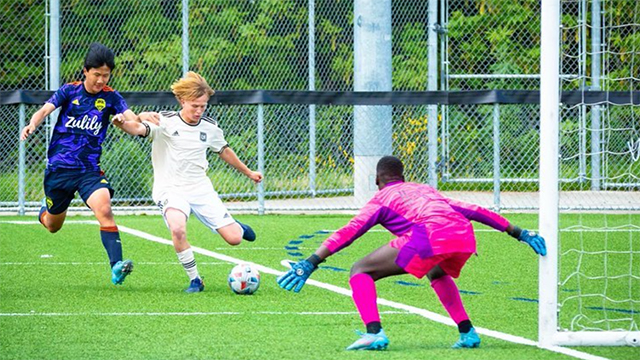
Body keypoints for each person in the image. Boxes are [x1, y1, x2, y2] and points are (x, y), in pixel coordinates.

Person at [277, 156, 546, 350]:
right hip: (463, 235)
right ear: (403, 177)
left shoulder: (381, 198)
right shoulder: (425, 190)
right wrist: (520, 232)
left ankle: (374, 333)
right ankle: (468, 332)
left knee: (360, 270)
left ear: (376, 181)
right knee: (435, 269)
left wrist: (312, 261)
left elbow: (351, 230)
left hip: (430, 235)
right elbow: (474, 210)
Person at [112, 71, 263, 293]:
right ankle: (195, 280)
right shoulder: (164, 121)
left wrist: (248, 172)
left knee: (234, 239)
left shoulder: (209, 127)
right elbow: (137, 128)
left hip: (200, 188)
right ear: (182, 101)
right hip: (170, 189)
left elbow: (224, 150)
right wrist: (121, 123)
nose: (199, 111)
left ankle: (237, 226)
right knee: (178, 229)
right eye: (195, 106)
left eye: (203, 106)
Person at [20, 43, 157, 286]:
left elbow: (131, 119)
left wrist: (142, 117)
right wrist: (32, 124)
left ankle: (116, 266)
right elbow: (44, 110)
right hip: (60, 170)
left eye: (106, 75)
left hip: (89, 171)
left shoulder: (111, 97)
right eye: (97, 74)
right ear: (85, 71)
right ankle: (44, 211)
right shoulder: (69, 91)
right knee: (53, 226)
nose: (101, 80)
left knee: (104, 210)